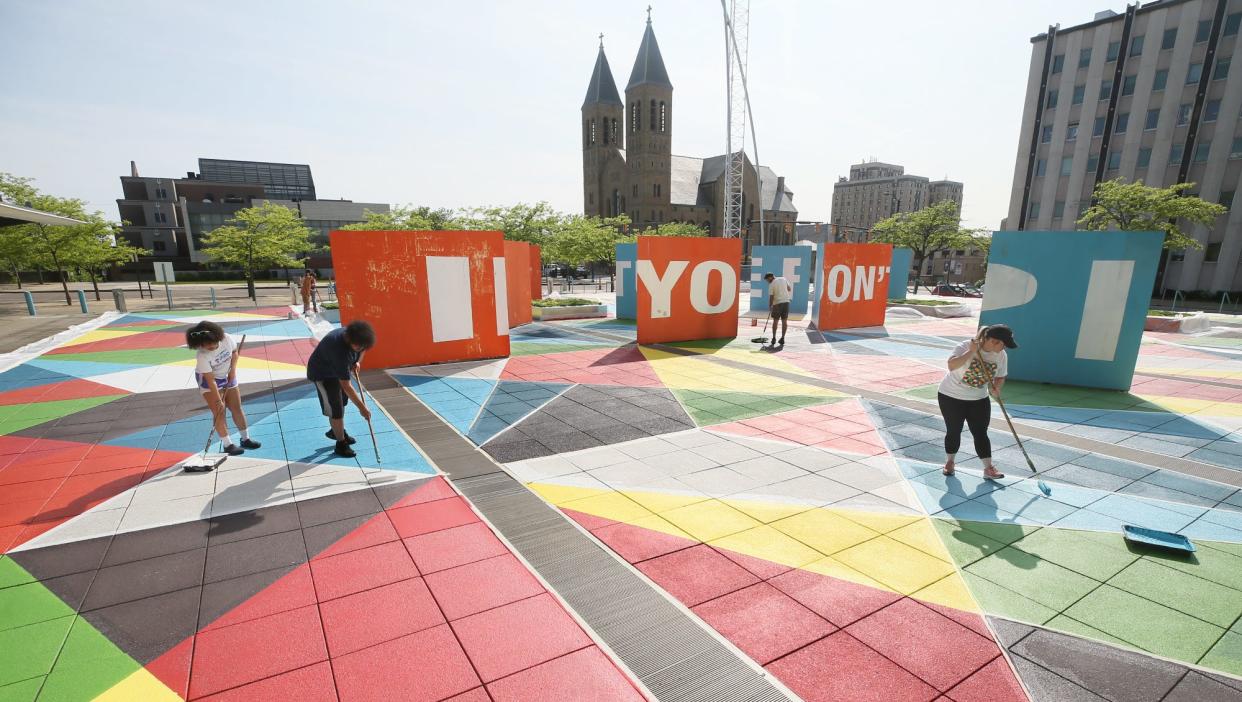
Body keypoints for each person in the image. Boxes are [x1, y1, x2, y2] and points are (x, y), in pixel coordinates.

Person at [938, 324, 1017, 479]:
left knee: (980, 432)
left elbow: (1000, 375)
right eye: (1003, 344)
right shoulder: (966, 346)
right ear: (993, 341)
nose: (1004, 348)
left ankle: (988, 469)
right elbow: (951, 365)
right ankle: (950, 462)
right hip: (951, 396)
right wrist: (971, 352)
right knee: (954, 430)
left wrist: (997, 388)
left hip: (979, 399)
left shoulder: (1001, 355)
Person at [185, 321, 261, 456]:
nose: (208, 347)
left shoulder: (226, 338)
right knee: (219, 411)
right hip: (209, 381)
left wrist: (233, 372)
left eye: (210, 344)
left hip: (228, 374)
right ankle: (227, 444)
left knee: (236, 407)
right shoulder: (202, 355)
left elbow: (234, 352)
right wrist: (218, 400)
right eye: (203, 345)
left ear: (217, 337)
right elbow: (211, 381)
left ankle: (245, 439)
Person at [306, 320, 376, 457]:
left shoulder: (358, 336)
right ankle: (340, 443)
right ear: (349, 340)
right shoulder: (339, 351)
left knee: (343, 401)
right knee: (336, 408)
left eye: (363, 347)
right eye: (358, 347)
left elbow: (363, 350)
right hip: (323, 374)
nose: (361, 349)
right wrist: (363, 408)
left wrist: (356, 361)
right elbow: (346, 385)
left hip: (336, 370)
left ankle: (336, 430)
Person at [763, 272, 793, 345]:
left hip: (777, 304)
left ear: (770, 277)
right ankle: (782, 338)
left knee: (775, 321)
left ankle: (774, 338)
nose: (767, 281)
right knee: (784, 321)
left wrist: (770, 306)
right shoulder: (783, 279)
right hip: (786, 302)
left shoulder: (771, 284)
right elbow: (789, 289)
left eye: (767, 280)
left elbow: (771, 297)